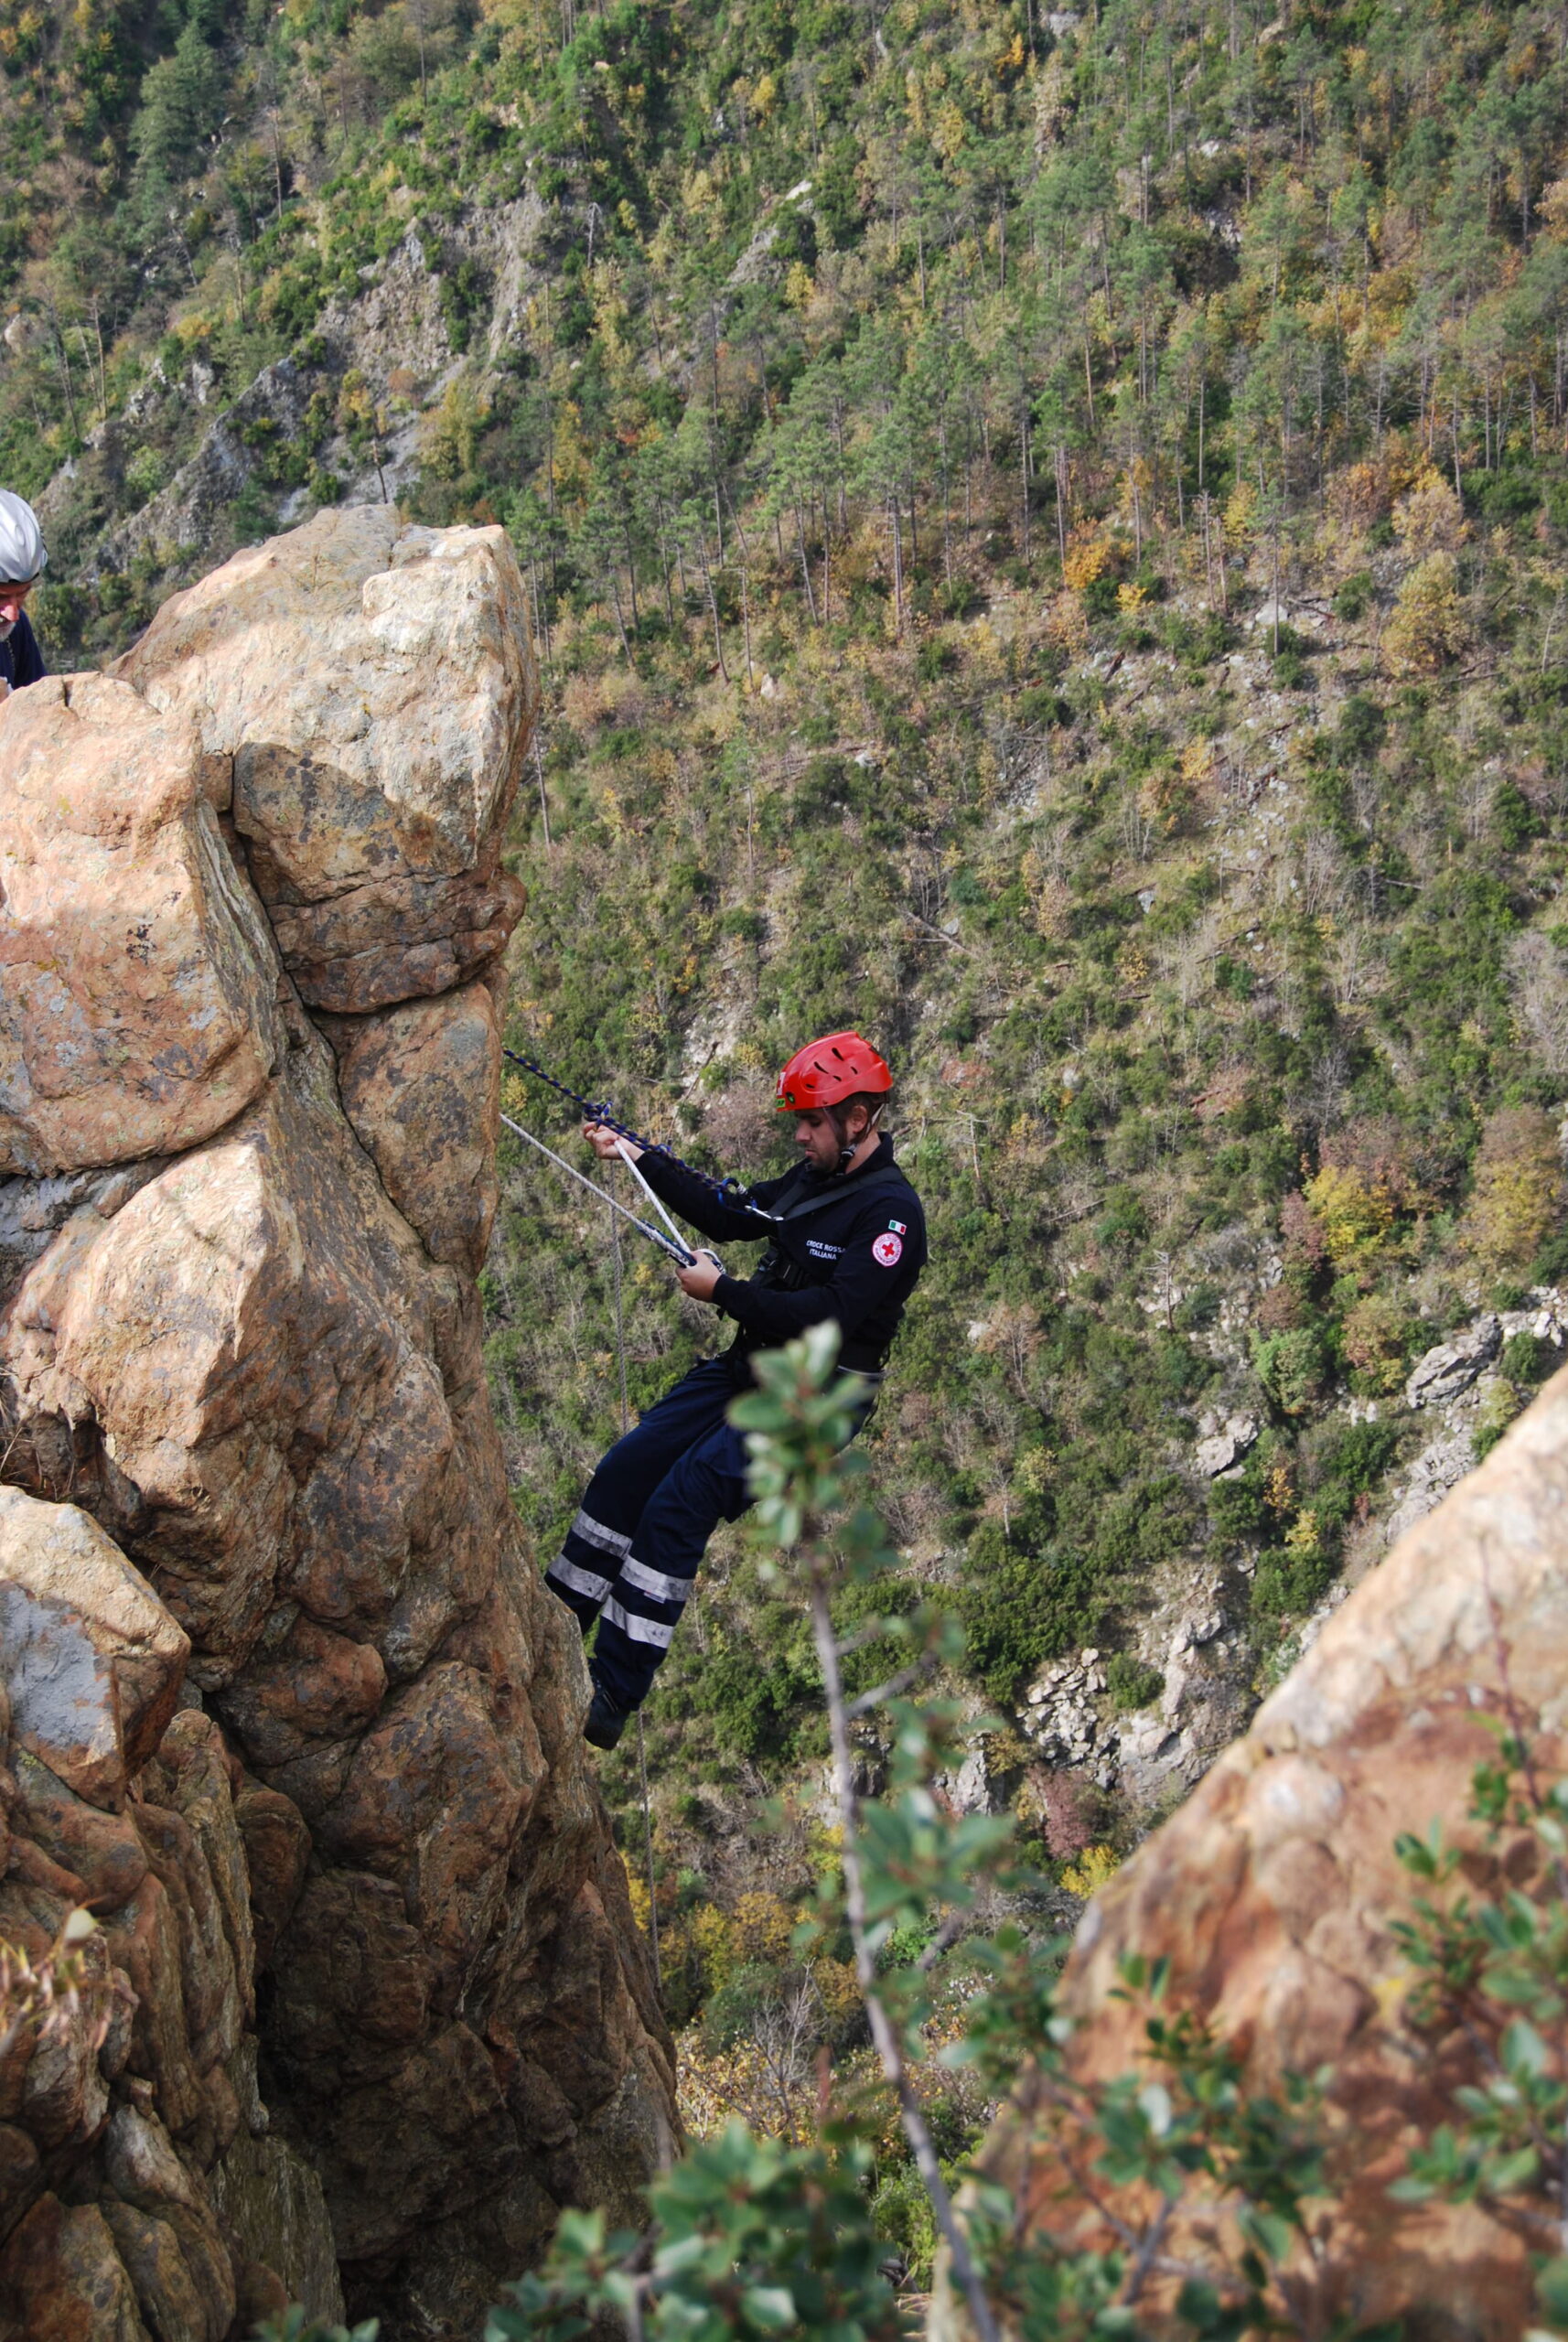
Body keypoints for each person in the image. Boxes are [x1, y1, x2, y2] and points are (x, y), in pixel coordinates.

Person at [545, 1030, 929, 1749]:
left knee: (683, 1499)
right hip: (756, 1363)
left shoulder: (891, 1217)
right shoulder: (813, 1180)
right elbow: (730, 1213)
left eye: (812, 1122)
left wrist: (723, 1292)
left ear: (858, 1119)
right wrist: (638, 1155)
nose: (801, 1136)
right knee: (629, 1467)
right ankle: (556, 1618)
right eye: (800, 1123)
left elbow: (830, 1316)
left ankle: (612, 1692)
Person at [0, 489, 47, 695]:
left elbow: (41, 705)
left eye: (22, 595)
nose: (13, 615)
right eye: (1, 597)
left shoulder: (15, 632)